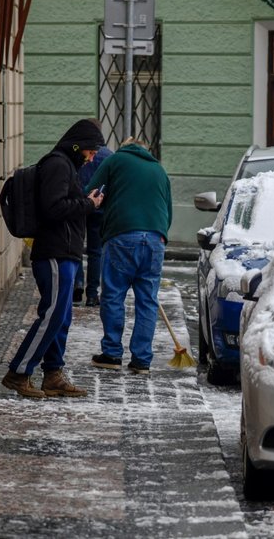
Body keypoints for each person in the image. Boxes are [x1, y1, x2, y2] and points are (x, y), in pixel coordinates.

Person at [1, 118, 106, 398]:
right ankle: (19, 372)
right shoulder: (58, 164)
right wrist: (88, 204)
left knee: (62, 316)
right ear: (77, 145)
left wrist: (84, 200)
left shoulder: (65, 165)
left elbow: (60, 203)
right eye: (91, 151)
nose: (93, 156)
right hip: (55, 253)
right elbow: (53, 208)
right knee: (53, 315)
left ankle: (53, 374)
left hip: (64, 252)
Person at [86, 138, 172, 375]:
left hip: (123, 235)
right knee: (148, 301)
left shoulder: (115, 160)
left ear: (125, 148)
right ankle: (142, 359)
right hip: (156, 239)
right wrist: (160, 237)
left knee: (113, 295)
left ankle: (112, 353)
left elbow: (91, 191)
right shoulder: (158, 169)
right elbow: (169, 211)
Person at [74, 143, 113, 307]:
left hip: (78, 205)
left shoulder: (79, 153)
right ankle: (92, 294)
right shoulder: (109, 155)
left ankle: (77, 285)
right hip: (99, 208)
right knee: (95, 252)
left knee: (75, 247)